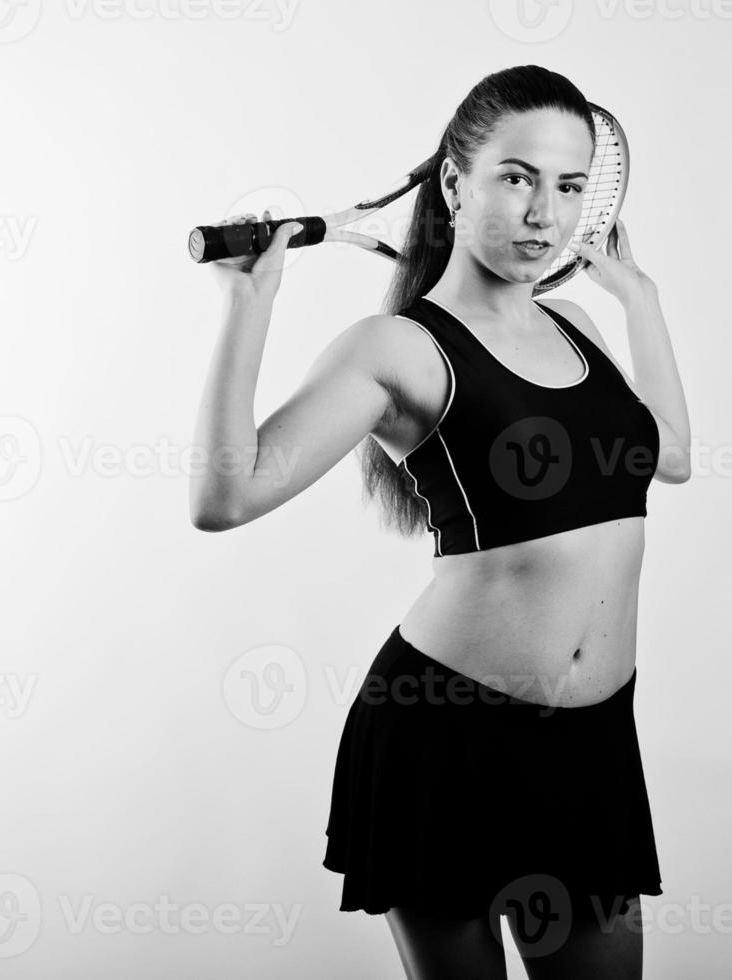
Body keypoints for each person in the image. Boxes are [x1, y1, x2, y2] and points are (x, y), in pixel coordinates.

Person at [190, 64, 691, 980]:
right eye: (517, 176)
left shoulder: (578, 323)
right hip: (446, 739)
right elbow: (226, 496)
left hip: (593, 743)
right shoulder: (399, 348)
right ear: (454, 185)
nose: (545, 212)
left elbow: (669, 456)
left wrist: (641, 301)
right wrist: (246, 305)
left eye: (569, 186)